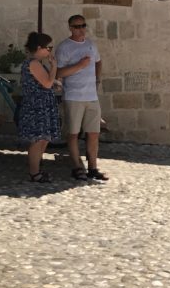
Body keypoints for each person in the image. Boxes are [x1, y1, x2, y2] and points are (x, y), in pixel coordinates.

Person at [55, 14, 108, 182]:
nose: (81, 29)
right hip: (73, 97)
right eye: (77, 26)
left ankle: (92, 167)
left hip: (91, 96)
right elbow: (59, 73)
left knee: (93, 133)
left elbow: (98, 62)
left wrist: (97, 79)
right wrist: (80, 66)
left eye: (83, 25)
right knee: (73, 134)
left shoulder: (91, 45)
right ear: (70, 28)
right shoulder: (64, 47)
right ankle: (77, 167)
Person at [18, 32, 61, 183]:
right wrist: (54, 66)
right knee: (38, 140)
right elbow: (47, 83)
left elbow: (44, 83)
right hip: (37, 106)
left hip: (41, 105)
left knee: (43, 139)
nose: (50, 51)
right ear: (39, 48)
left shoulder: (34, 63)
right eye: (48, 48)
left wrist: (53, 82)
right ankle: (34, 173)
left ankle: (37, 169)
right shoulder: (34, 63)